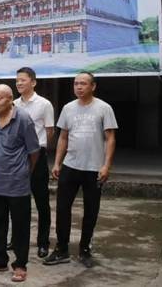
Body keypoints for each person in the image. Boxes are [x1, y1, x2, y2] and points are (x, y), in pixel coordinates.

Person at [44, 72, 117, 269]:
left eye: (83, 84)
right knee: (62, 208)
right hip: (70, 165)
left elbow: (110, 138)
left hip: (94, 168)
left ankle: (85, 249)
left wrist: (106, 165)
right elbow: (63, 137)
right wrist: (57, 162)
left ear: (93, 86)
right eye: (76, 84)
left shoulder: (103, 108)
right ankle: (61, 248)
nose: (79, 87)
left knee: (91, 210)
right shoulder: (68, 108)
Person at [0, 85, 39, 283]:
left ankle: (20, 265)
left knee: (20, 226)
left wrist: (24, 172)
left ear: (10, 99)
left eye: (0, 98)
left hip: (18, 183)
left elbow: (34, 151)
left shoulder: (23, 119)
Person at [13, 67, 55, 258]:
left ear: (33, 82)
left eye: (23, 80)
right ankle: (16, 240)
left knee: (41, 201)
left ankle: (43, 242)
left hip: (37, 156)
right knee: (18, 201)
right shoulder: (13, 104)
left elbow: (49, 131)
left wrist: (40, 150)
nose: (19, 83)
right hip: (17, 156)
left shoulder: (44, 104)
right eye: (17, 81)